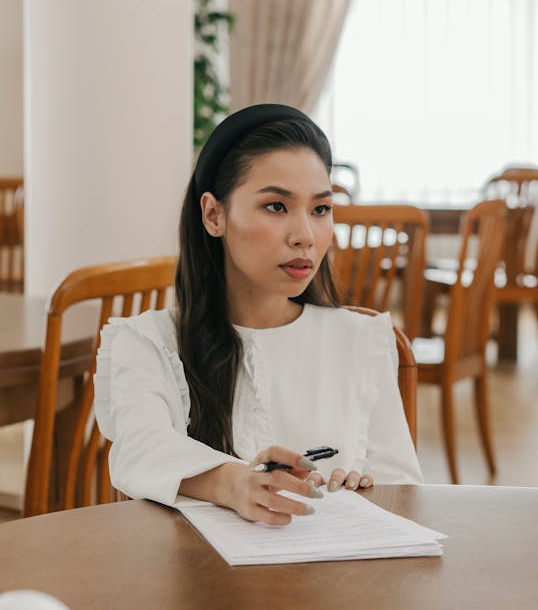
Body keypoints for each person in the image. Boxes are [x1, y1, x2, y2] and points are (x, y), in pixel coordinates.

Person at [94, 103, 422, 525]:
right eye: (276, 207)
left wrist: (364, 490)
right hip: (194, 584)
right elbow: (140, 448)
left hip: (334, 581)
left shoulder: (362, 340)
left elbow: (406, 491)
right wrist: (233, 482)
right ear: (214, 215)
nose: (305, 236)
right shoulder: (149, 342)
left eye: (321, 209)